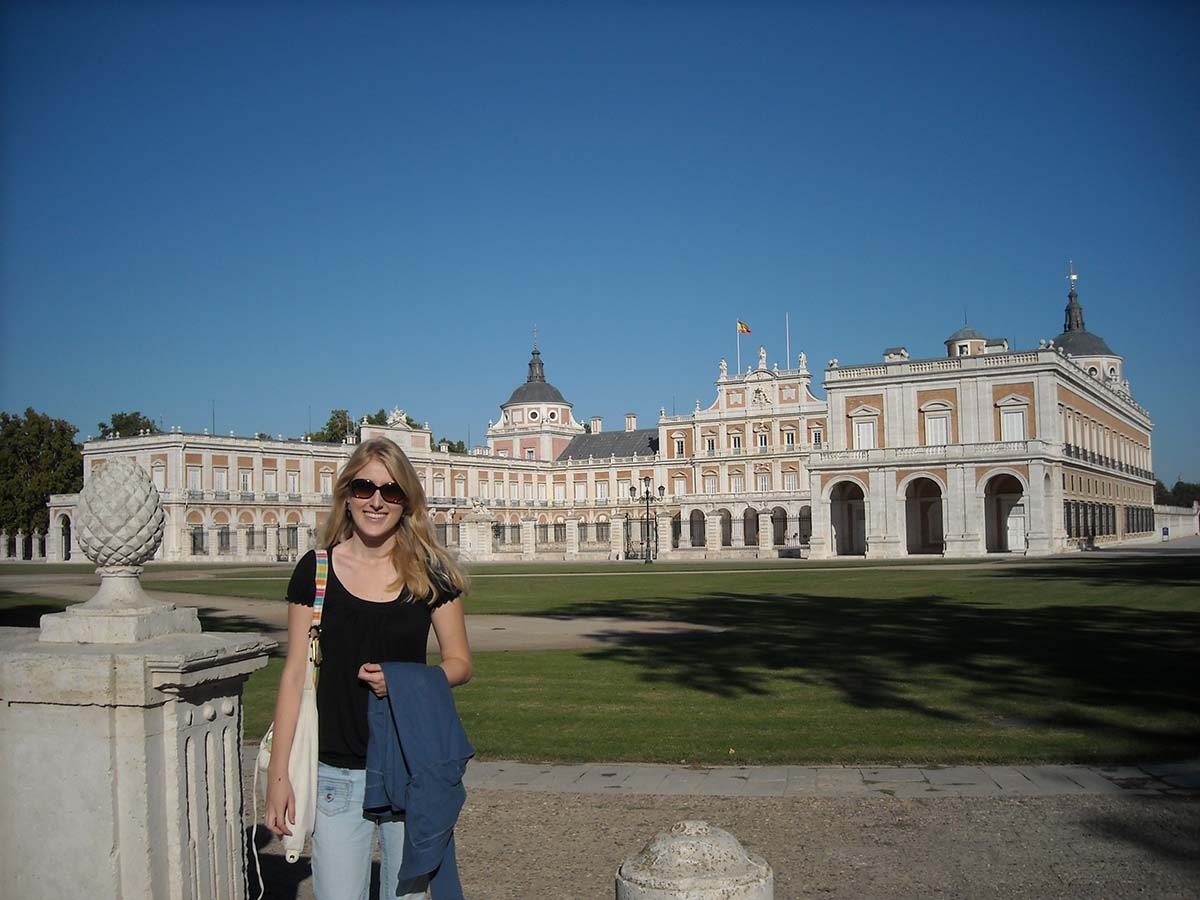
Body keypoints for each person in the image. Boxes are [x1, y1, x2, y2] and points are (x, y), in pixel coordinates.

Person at [265, 436, 472, 900]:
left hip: (409, 767)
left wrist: (407, 682)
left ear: (407, 501)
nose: (376, 501)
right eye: (364, 488)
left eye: (391, 491)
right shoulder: (315, 570)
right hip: (335, 772)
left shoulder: (430, 572)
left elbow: (460, 663)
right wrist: (279, 779)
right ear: (347, 494)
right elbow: (295, 673)